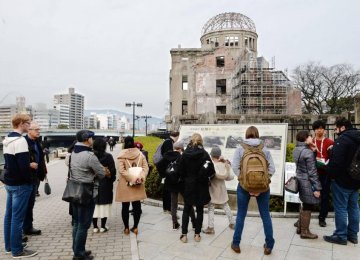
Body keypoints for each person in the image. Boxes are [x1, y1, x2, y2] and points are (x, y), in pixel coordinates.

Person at [230, 126, 275, 255]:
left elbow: (235, 167)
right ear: (257, 135)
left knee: (241, 214)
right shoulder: (264, 149)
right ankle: (269, 246)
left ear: (246, 135)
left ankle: (236, 243)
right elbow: (272, 168)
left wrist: (245, 182)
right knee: (265, 215)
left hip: (244, 187)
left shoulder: (240, 148)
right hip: (263, 187)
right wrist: (263, 183)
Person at [2, 113, 38, 258]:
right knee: (18, 219)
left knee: (9, 216)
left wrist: (26, 164)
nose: (29, 126)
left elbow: (12, 163)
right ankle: (17, 250)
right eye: (28, 123)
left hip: (9, 183)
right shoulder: (21, 141)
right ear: (22, 123)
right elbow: (23, 168)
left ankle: (9, 246)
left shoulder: (7, 140)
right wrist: (31, 170)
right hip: (21, 185)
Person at [67, 130, 105, 260]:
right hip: (86, 192)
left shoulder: (72, 153)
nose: (93, 140)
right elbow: (102, 174)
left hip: (74, 191)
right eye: (91, 138)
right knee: (83, 225)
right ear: (87, 139)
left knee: (77, 223)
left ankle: (78, 249)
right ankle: (79, 254)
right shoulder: (90, 156)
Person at [324, 118, 360, 245]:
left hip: (342, 180)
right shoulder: (358, 137)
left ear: (343, 127)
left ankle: (340, 235)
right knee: (354, 207)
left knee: (341, 208)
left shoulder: (343, 140)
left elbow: (336, 163)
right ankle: (353, 235)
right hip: (357, 179)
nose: (335, 130)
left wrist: (330, 173)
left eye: (336, 127)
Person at [178, 133, 215, 243]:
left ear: (191, 140)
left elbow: (180, 171)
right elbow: (212, 171)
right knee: (199, 210)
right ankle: (197, 235)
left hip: (188, 185)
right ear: (201, 141)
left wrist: (186, 179)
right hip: (201, 185)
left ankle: (184, 235)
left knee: (186, 209)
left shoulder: (185, 154)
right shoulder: (204, 154)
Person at [156, 141, 195, 230]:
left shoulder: (166, 156)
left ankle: (175, 223)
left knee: (173, 203)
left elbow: (159, 165)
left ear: (174, 148)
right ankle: (194, 222)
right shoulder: (182, 157)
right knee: (188, 202)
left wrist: (164, 175)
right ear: (181, 149)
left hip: (170, 182)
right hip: (181, 183)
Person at [115, 136, 149, 235]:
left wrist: (131, 179)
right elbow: (145, 168)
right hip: (138, 184)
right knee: (137, 206)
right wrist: (140, 178)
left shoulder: (122, 155)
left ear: (124, 143)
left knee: (125, 206)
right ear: (133, 143)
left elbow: (121, 171)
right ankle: (135, 227)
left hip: (125, 184)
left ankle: (126, 228)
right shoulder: (140, 154)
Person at [293, 130, 322, 239]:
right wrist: (317, 188)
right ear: (306, 138)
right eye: (310, 136)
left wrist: (313, 151)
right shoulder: (307, 152)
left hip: (300, 179)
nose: (312, 138)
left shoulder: (297, 149)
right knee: (308, 206)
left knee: (304, 203)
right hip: (308, 182)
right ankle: (305, 232)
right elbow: (312, 172)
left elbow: (303, 164)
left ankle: (300, 227)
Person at [203, 146, 235, 235]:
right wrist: (227, 167)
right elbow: (230, 177)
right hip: (222, 190)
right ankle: (232, 223)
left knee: (211, 208)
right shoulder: (225, 165)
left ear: (212, 156)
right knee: (225, 206)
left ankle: (211, 227)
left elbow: (209, 176)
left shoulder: (212, 166)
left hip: (213, 190)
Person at [23, 122, 47, 236]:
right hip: (26, 177)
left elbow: (40, 158)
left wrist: (44, 170)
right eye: (36, 129)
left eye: (39, 129)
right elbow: (18, 159)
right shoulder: (23, 142)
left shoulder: (37, 142)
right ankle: (23, 229)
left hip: (35, 176)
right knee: (24, 204)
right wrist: (28, 164)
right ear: (29, 130)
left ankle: (28, 227)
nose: (38, 131)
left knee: (31, 203)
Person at [311, 120, 333, 227]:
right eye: (317, 128)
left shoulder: (329, 142)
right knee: (308, 195)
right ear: (314, 130)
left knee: (324, 196)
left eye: (321, 128)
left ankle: (322, 218)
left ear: (324, 130)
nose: (320, 130)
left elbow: (333, 158)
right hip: (313, 173)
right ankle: (304, 218)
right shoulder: (310, 142)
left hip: (325, 173)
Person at [92, 138, 116, 233]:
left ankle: (94, 227)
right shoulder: (108, 156)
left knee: (94, 205)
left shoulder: (91, 156)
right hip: (105, 183)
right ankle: (102, 226)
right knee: (104, 205)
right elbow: (113, 171)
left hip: (93, 183)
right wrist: (111, 178)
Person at [160, 131, 180, 214]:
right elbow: (168, 156)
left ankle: (166, 208)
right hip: (168, 170)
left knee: (166, 189)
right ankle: (168, 208)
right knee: (168, 190)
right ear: (176, 136)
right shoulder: (169, 143)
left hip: (166, 170)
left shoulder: (166, 141)